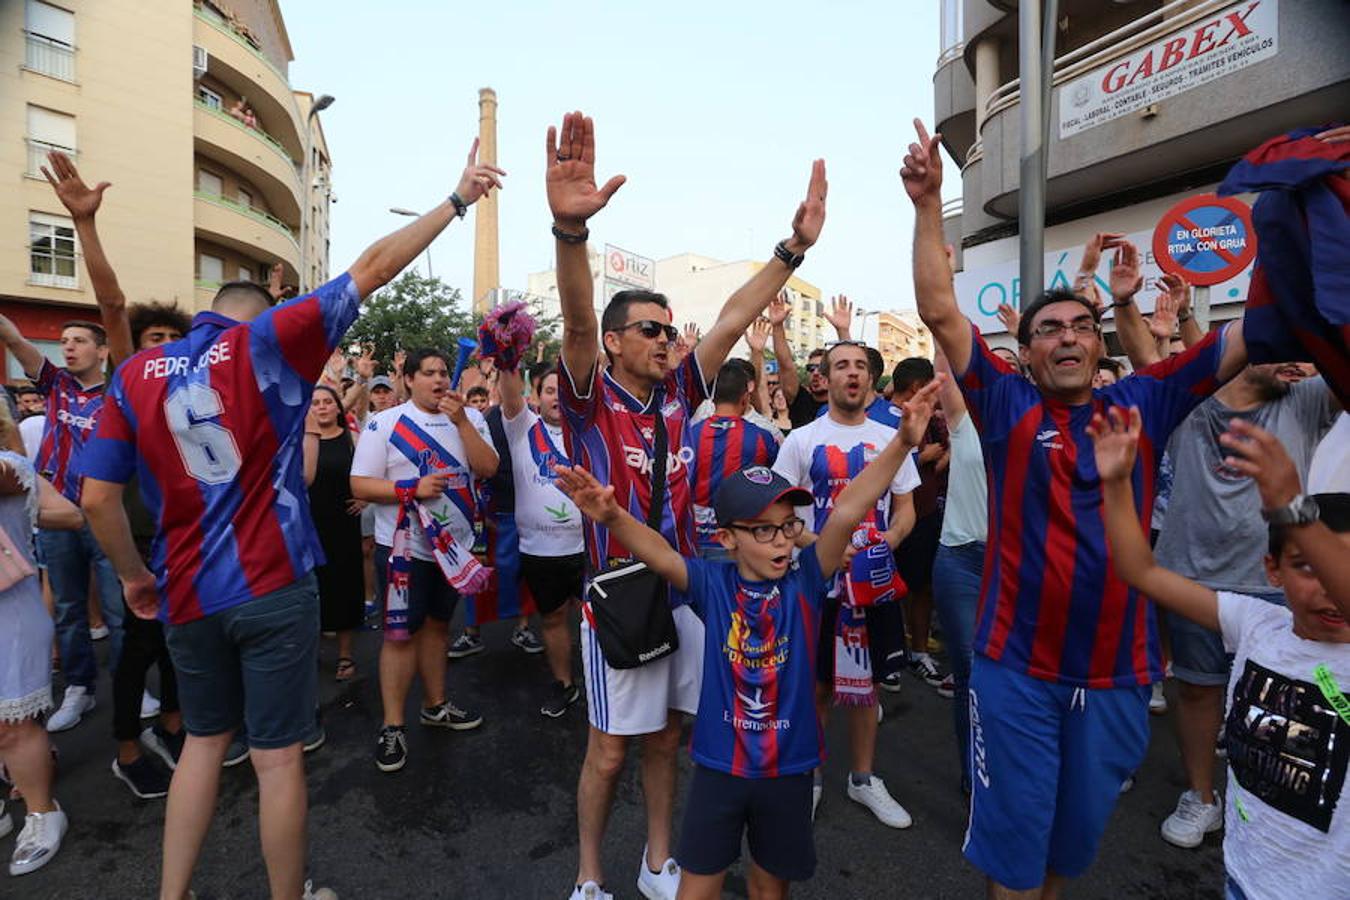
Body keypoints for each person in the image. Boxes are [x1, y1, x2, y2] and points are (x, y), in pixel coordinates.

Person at [80, 137, 503, 899]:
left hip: (185, 589)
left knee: (204, 742)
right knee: (277, 758)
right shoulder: (266, 342)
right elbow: (372, 267)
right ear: (261, 315)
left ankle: (171, 893)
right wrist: (456, 200)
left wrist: (134, 577)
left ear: (204, 315)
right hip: (272, 580)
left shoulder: (136, 371)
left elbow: (97, 499)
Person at [901, 116, 1249, 897]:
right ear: (1025, 352)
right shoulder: (1004, 405)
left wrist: (1306, 225)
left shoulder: (1146, 399)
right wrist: (927, 206)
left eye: (1081, 327)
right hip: (1014, 672)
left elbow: (1246, 338)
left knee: (1067, 849)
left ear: (1100, 345)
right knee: (1016, 855)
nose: (1066, 338)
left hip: (1119, 678)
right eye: (1048, 329)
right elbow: (940, 310)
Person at [546, 109, 826, 900]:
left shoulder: (678, 392)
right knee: (609, 751)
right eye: (650, 329)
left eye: (670, 330)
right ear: (615, 342)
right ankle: (590, 874)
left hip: (682, 590)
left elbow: (734, 316)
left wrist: (792, 249)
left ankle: (657, 862)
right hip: (618, 598)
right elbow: (576, 318)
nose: (667, 340)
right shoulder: (588, 397)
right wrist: (570, 233)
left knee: (668, 739)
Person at [556, 375, 942, 900]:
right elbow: (660, 553)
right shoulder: (711, 584)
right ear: (727, 538)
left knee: (769, 887)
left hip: (790, 771)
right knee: (697, 888)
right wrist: (612, 517)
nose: (781, 541)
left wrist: (900, 444)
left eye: (788, 526)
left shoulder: (808, 579)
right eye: (763, 530)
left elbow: (850, 507)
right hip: (719, 770)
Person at [1091, 410, 1349, 900]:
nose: (1327, 587)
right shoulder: (1256, 621)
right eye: (1307, 566)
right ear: (1273, 570)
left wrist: (1293, 510)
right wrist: (1117, 485)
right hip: (1243, 876)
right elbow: (1141, 571)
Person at [1150, 366, 1337, 848]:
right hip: (1192, 577)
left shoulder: (1305, 398)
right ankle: (1201, 796)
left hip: (1275, 582)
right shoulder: (1193, 396)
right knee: (1197, 690)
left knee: (1282, 703)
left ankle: (1271, 807)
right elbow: (1144, 351)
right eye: (1279, 343)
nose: (1294, 359)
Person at [773, 340, 919, 827]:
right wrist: (824, 547)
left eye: (860, 365)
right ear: (825, 377)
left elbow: (906, 509)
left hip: (872, 585)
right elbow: (781, 514)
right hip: (817, 586)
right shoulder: (801, 440)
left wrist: (887, 542)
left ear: (871, 378)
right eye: (841, 366)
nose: (852, 373)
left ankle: (862, 778)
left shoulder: (891, 438)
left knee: (868, 688)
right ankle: (810, 778)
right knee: (816, 688)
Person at [350, 347, 495, 772]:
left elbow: (488, 467)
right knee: (399, 636)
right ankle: (393, 725)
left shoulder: (471, 418)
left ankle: (436, 705)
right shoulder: (385, 423)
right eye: (428, 373)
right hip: (404, 551)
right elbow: (359, 485)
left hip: (453, 551)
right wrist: (409, 489)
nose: (438, 380)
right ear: (409, 379)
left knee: (437, 628)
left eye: (443, 372)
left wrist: (462, 422)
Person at [0, 313, 124, 734]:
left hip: (105, 514)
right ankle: (79, 688)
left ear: (102, 351)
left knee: (117, 609)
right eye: (65, 340)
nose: (68, 346)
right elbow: (17, 342)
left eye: (79, 340)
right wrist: (7, 329)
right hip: (58, 515)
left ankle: (128, 686)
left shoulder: (119, 395)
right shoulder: (56, 385)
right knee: (69, 608)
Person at [0, 403, 83, 876]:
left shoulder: (9, 467)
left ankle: (41, 811)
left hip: (10, 614)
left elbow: (70, 515)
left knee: (13, 725)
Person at [498, 363, 585, 717]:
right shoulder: (522, 427)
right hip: (539, 550)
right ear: (535, 397)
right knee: (552, 618)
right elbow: (508, 391)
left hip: (589, 547)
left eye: (563, 392)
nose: (557, 398)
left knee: (599, 619)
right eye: (550, 391)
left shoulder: (589, 429)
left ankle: (609, 684)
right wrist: (506, 354)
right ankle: (564, 683)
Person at [929, 350, 986, 794]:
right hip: (961, 561)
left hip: (1018, 563)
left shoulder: (1034, 426)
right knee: (971, 671)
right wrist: (939, 324)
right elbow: (944, 368)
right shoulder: (963, 422)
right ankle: (975, 779)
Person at [889, 357, 951, 696]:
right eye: (931, 386)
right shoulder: (881, 417)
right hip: (887, 520)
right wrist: (919, 457)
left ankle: (918, 652)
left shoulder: (931, 419)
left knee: (922, 586)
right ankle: (887, 657)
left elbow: (934, 468)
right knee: (885, 590)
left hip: (924, 514)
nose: (937, 394)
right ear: (917, 387)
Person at [303, 385, 366, 682]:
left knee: (345, 587)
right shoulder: (302, 441)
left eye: (328, 401)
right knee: (313, 589)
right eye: (315, 403)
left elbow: (373, 471)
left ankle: (345, 655)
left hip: (344, 525)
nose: (322, 407)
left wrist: (365, 498)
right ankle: (309, 653)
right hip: (309, 526)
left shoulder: (352, 438)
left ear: (338, 407)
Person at [690, 360, 781, 560]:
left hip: (692, 541)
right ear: (745, 398)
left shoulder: (690, 434)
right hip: (737, 542)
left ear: (712, 397)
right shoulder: (762, 438)